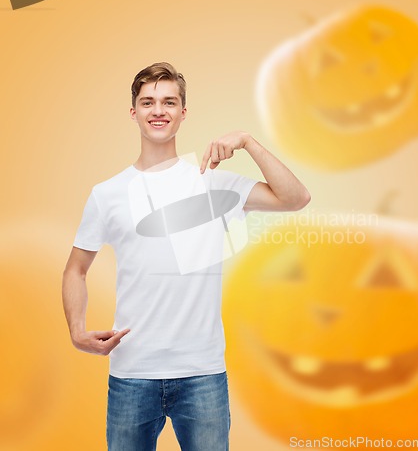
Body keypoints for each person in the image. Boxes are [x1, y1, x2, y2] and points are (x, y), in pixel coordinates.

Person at [62, 61, 310, 451]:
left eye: (168, 102)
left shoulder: (212, 182)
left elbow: (296, 199)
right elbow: (76, 269)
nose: (158, 110)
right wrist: (77, 332)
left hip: (202, 375)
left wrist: (248, 142)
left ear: (182, 112)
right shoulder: (107, 193)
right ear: (134, 112)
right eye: (148, 102)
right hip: (132, 373)